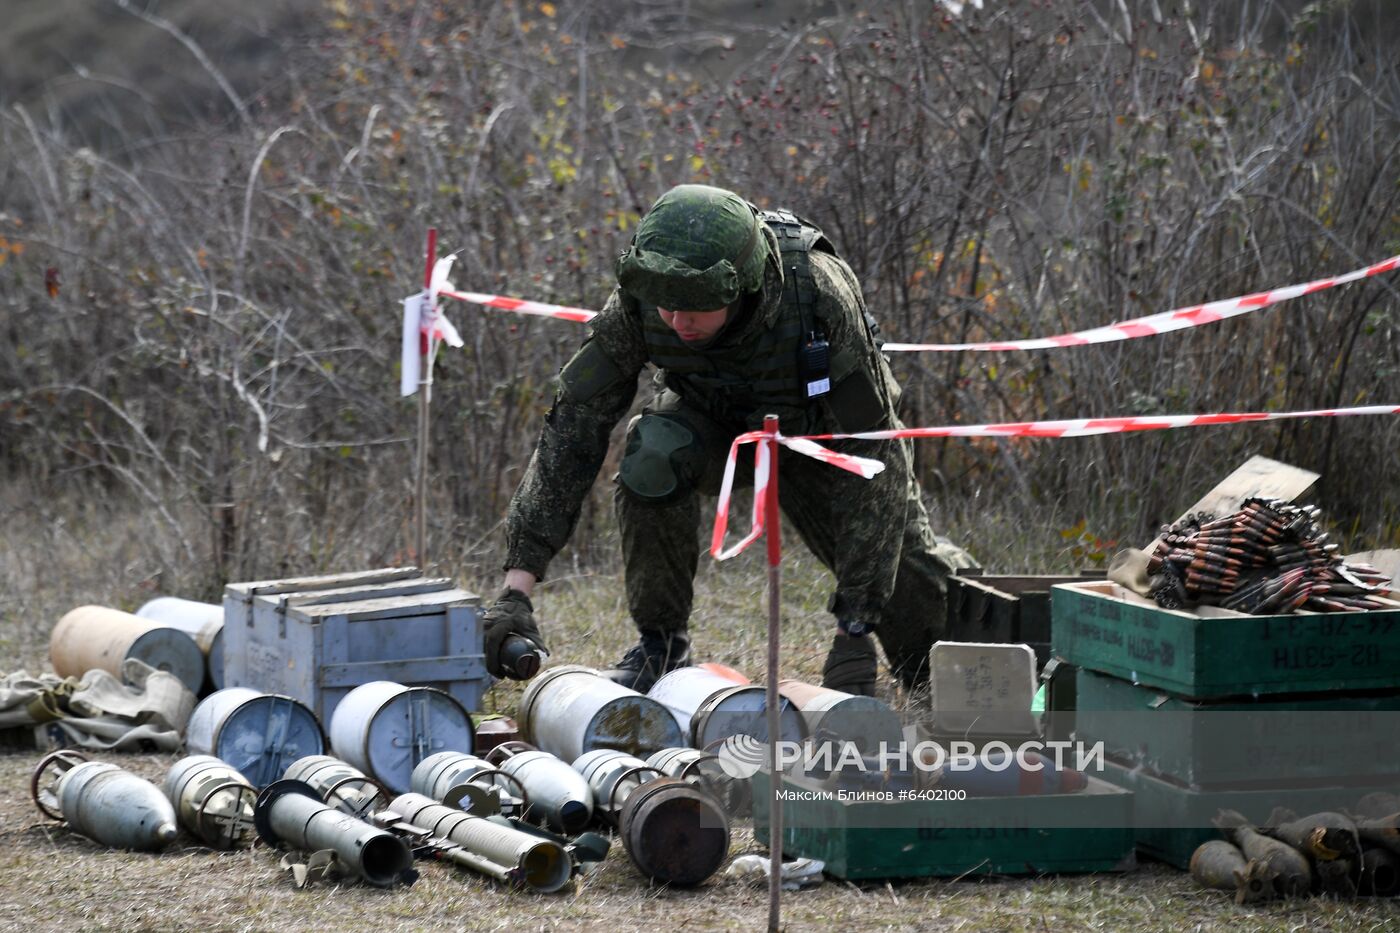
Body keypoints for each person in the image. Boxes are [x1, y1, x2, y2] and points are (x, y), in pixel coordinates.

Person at [480, 184, 976, 696]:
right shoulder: (645, 295)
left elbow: (876, 454)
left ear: (742, 285)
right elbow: (573, 429)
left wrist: (855, 624)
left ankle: (983, 612)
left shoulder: (819, 295)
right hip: (712, 424)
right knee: (652, 455)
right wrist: (518, 586)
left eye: (695, 307)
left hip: (822, 440)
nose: (677, 322)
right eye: (668, 309)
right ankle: (661, 645)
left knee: (928, 657)